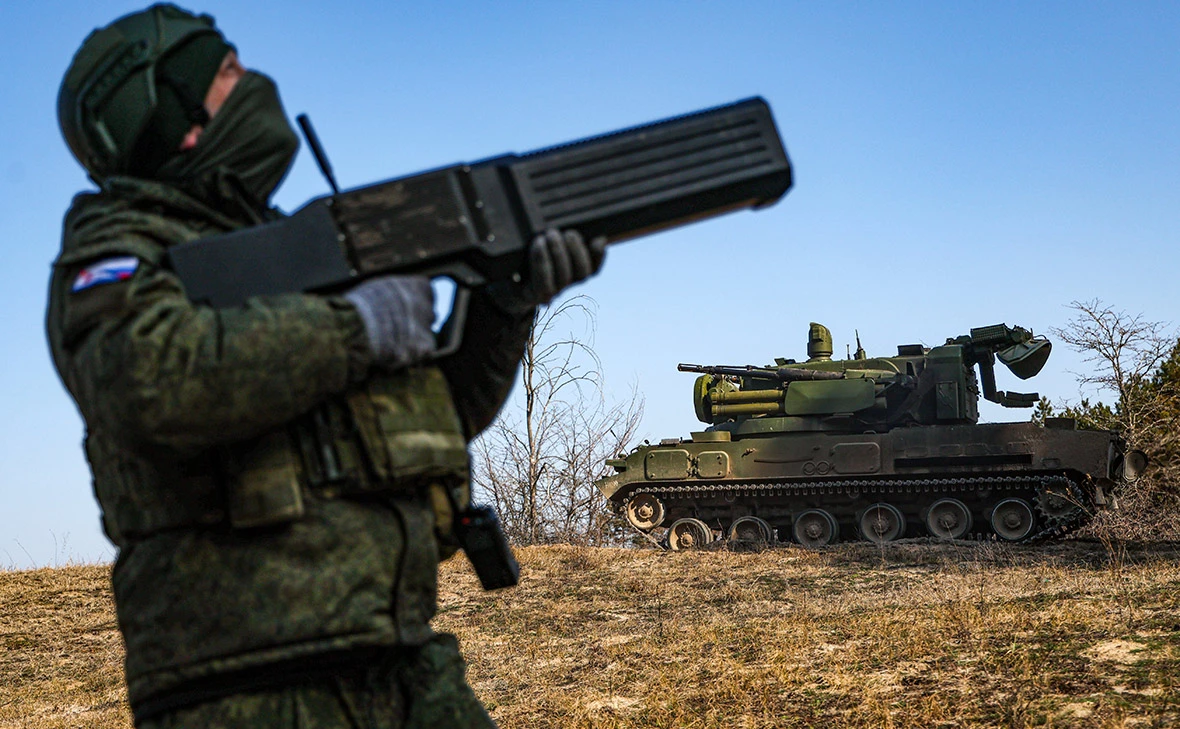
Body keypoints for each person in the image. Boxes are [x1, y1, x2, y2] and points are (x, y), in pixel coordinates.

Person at [48, 4, 605, 727]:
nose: (253, 85)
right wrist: (356, 325)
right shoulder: (117, 251)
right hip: (244, 691)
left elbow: (441, 415)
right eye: (227, 74)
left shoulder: (298, 248)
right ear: (172, 116)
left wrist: (506, 305)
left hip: (401, 660)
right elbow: (148, 379)